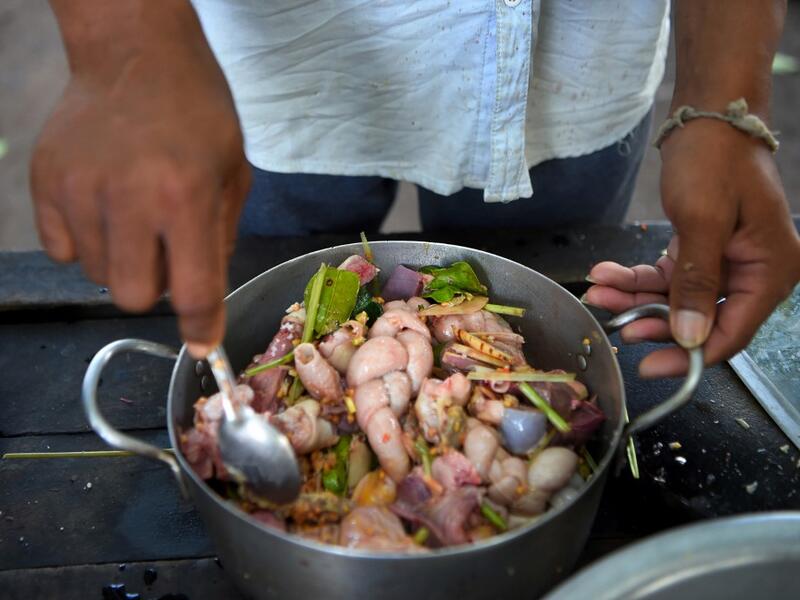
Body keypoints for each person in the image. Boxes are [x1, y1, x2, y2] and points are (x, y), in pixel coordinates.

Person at [31, 0, 799, 378]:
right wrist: (120, 43)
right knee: (261, 311)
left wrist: (725, 99)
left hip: (571, 61)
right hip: (269, 62)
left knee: (547, 322)